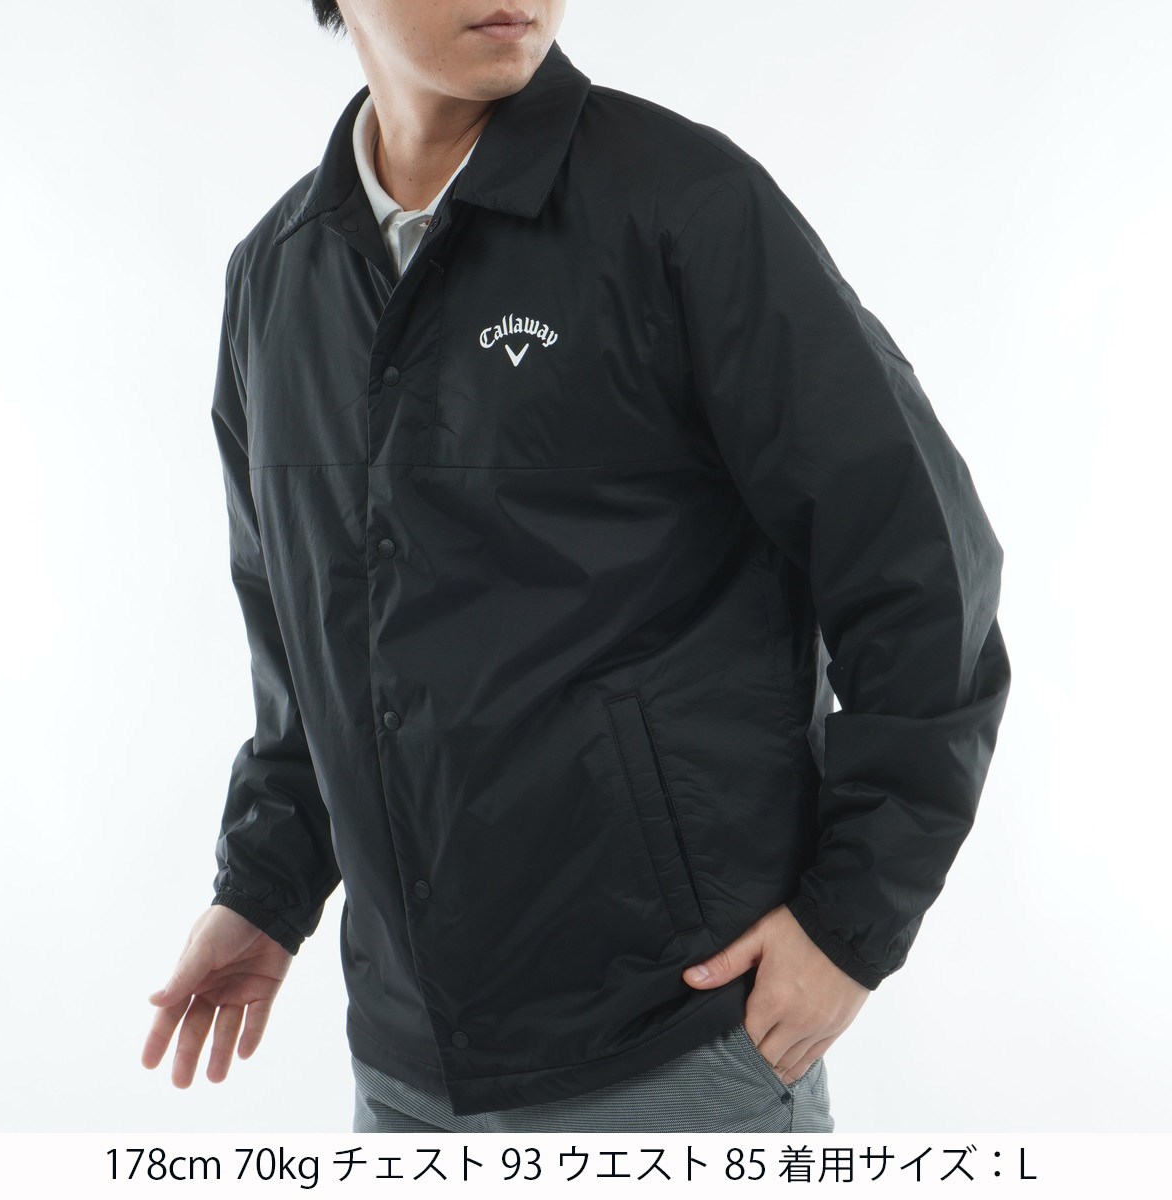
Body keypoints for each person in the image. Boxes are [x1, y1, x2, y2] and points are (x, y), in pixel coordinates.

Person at [141, 0, 1011, 1135]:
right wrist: (264, 889)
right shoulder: (276, 279)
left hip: (680, 1046)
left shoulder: (681, 204)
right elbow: (305, 649)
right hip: (407, 1069)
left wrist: (850, 926)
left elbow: (920, 564)